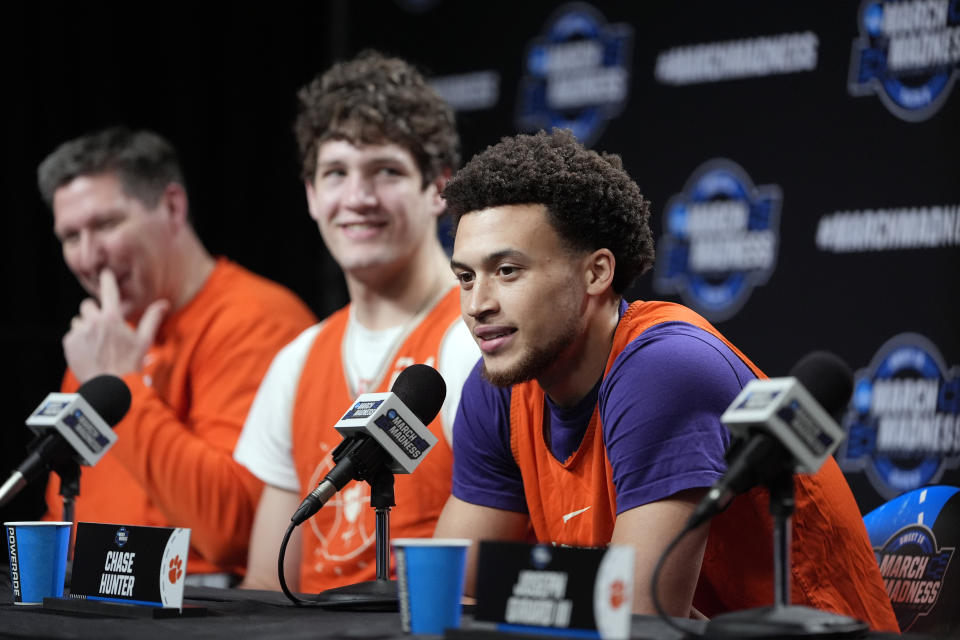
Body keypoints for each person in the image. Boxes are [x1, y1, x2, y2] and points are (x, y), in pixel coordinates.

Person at [435, 129, 898, 630]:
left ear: (596, 273)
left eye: (506, 271)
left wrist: (537, 595)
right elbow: (443, 592)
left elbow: (636, 618)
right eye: (465, 277)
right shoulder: (502, 380)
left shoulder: (664, 370)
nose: (477, 304)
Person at [234, 52, 479, 593]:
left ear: (439, 187)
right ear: (311, 194)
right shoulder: (295, 362)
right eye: (335, 172)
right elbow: (266, 585)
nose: (358, 198)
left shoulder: (477, 340)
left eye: (386, 171)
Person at [37, 127, 317, 583]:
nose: (89, 258)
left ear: (171, 206)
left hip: (201, 606)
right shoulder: (101, 341)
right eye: (70, 236)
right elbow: (64, 516)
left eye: (106, 225)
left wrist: (120, 388)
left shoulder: (257, 319)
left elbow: (230, 531)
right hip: (88, 596)